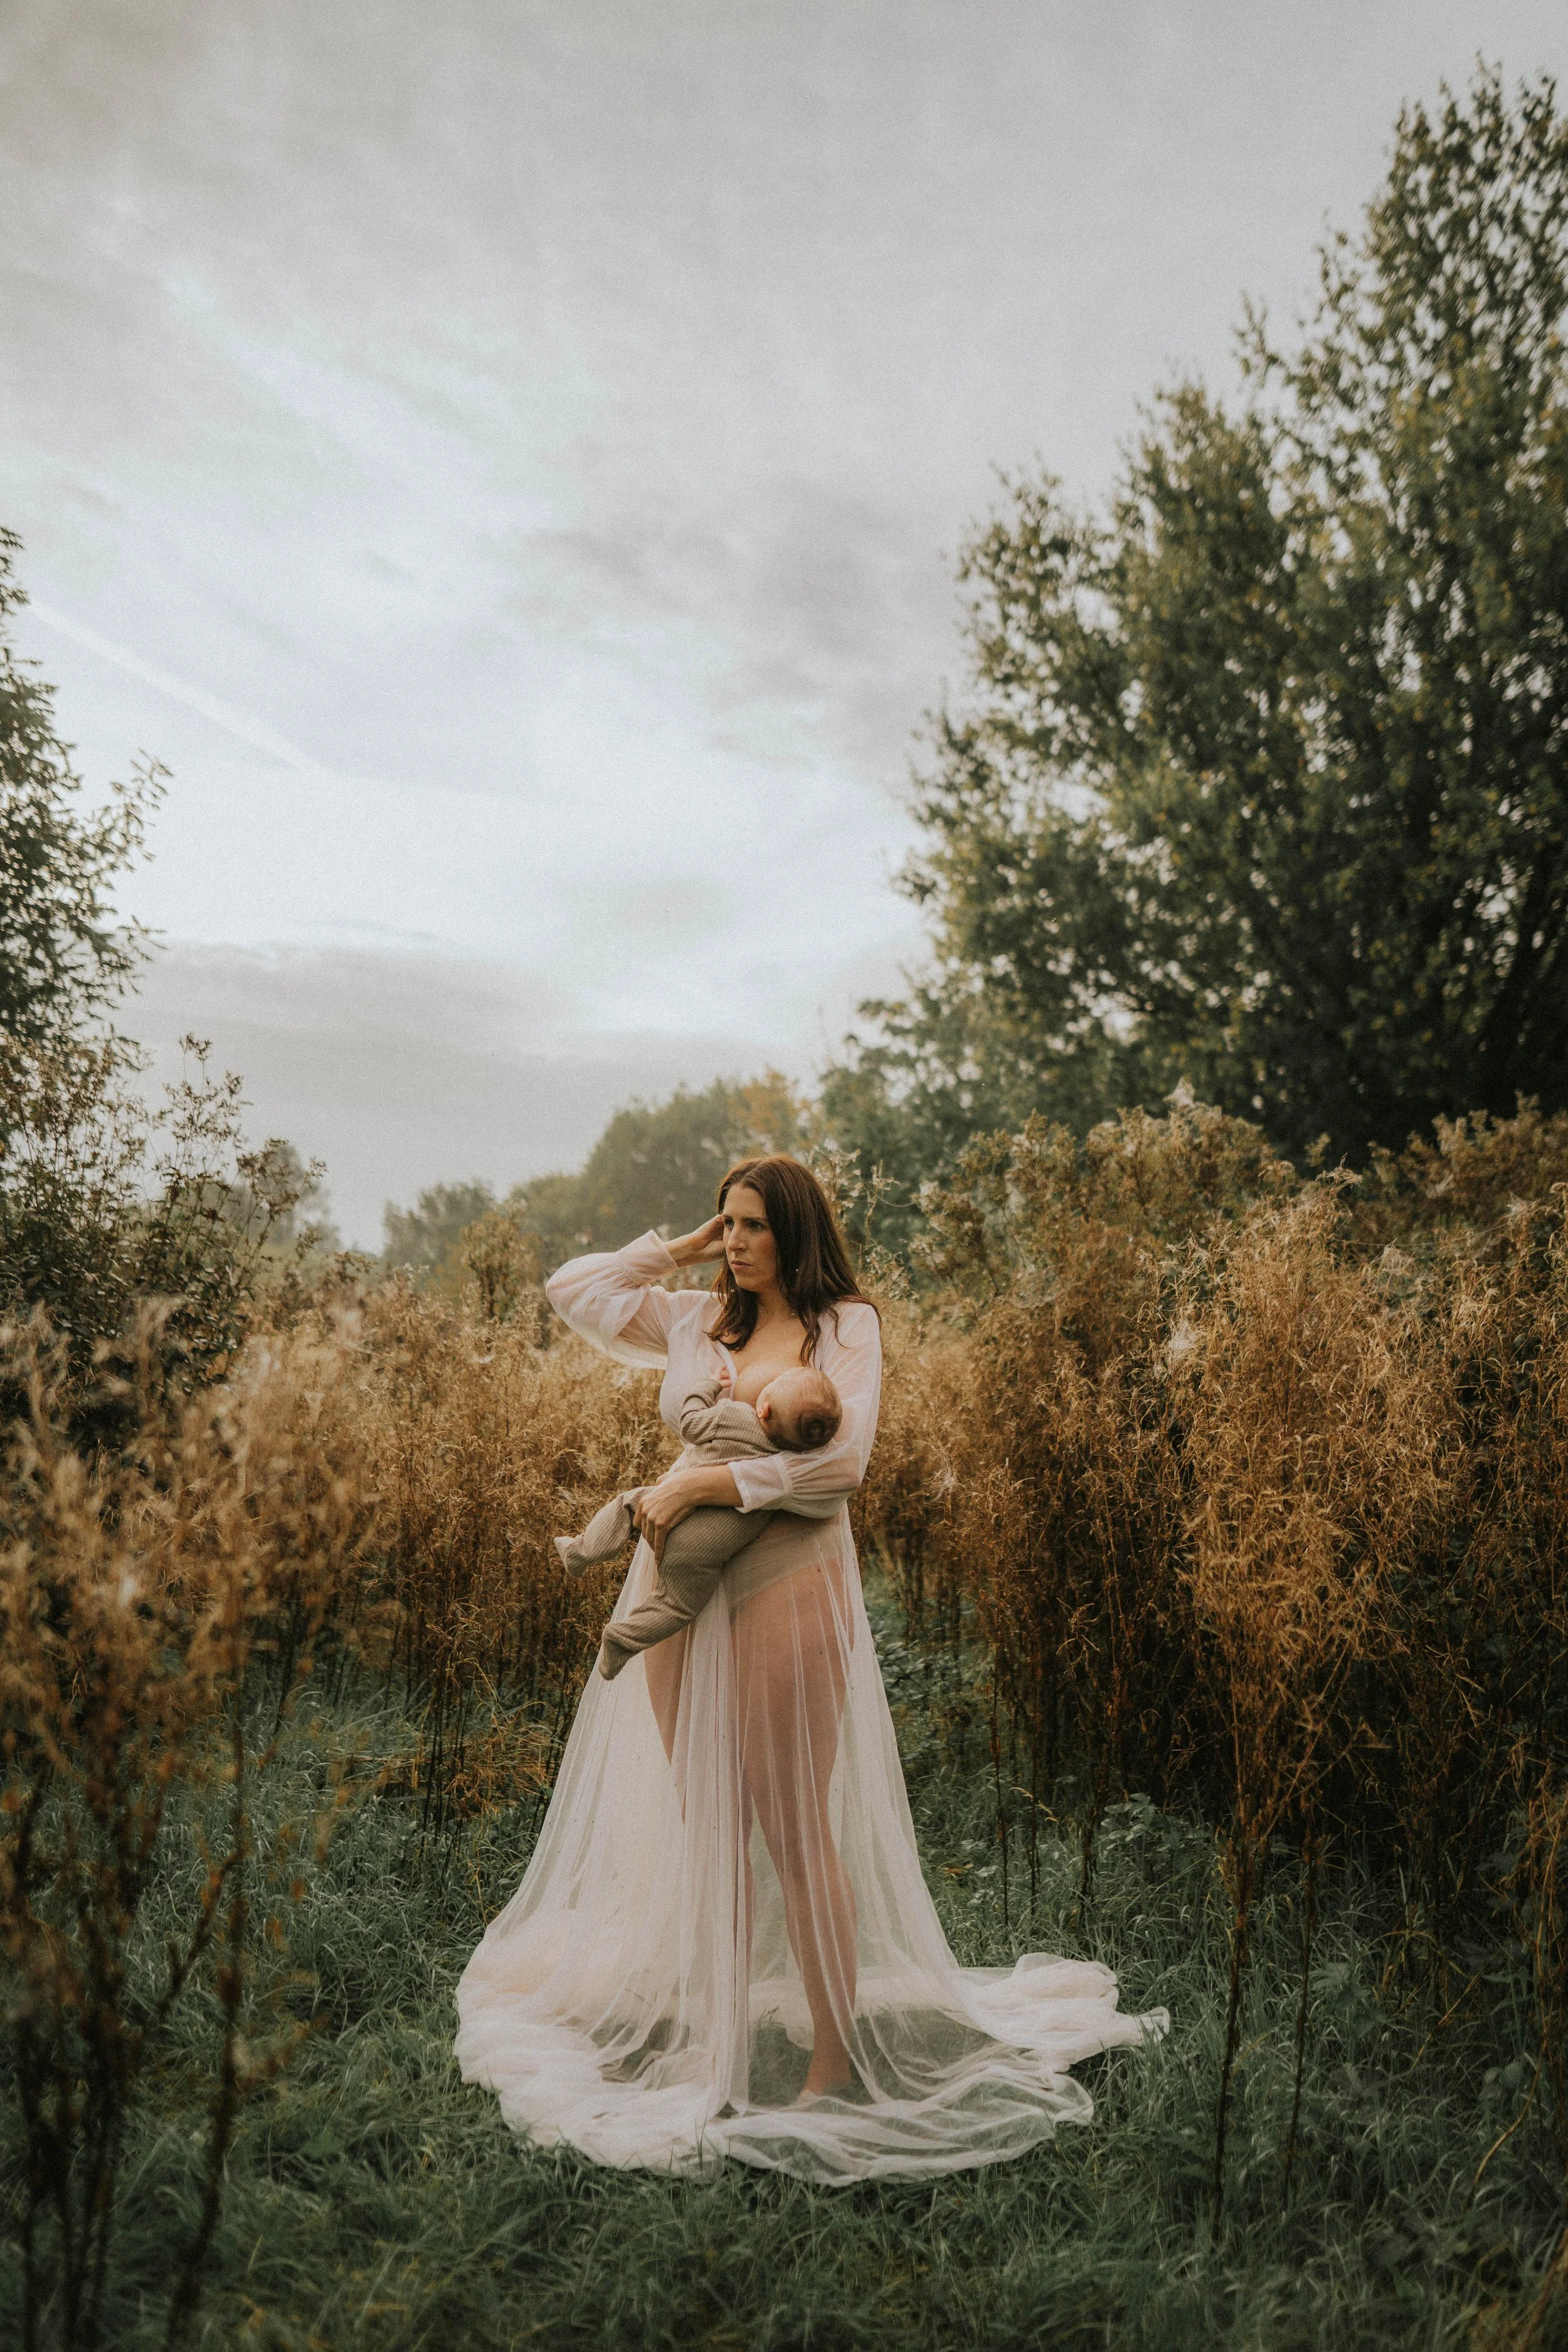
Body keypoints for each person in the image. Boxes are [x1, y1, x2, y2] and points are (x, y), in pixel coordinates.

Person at [455, 1155, 1167, 2182]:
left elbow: (841, 1465)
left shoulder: (847, 1328)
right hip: (679, 1588)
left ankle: (833, 2058)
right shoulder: (698, 1318)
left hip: (790, 1581)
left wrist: (707, 1476)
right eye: (726, 1223)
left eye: (750, 1225)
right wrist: (682, 1249)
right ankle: (728, 2043)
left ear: (795, 1231)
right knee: (709, 1819)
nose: (734, 1240)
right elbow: (575, 1291)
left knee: (793, 1825)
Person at [556, 1366, 843, 1680]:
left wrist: (705, 1388)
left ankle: (581, 1551)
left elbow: (690, 1424)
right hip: (701, 1551)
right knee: (676, 1605)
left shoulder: (733, 1416)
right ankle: (621, 1639)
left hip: (662, 1503)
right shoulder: (790, 1464)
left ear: (764, 1407)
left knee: (625, 1505)